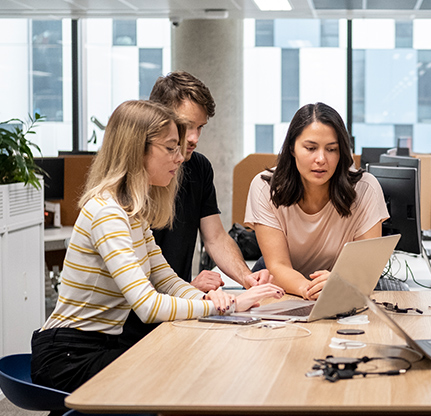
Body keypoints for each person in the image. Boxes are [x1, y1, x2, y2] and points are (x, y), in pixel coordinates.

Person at [31, 100, 284, 392]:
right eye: (170, 148)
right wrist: (222, 307)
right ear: (137, 150)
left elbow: (167, 280)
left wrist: (220, 301)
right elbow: (148, 305)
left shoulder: (133, 213)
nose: (179, 158)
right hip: (69, 354)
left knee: (193, 365)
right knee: (184, 376)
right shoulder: (107, 213)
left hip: (98, 346)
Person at [119, 71, 274, 348]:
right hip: (135, 324)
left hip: (171, 311)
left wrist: (245, 277)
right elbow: (137, 296)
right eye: (185, 126)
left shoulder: (198, 168)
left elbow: (215, 237)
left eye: (200, 128)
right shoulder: (123, 196)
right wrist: (194, 292)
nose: (193, 138)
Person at [244, 102, 389, 300]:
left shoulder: (365, 188)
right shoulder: (265, 188)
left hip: (339, 285)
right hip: (282, 284)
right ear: (292, 148)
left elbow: (367, 265)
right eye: (311, 148)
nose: (321, 159)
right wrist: (309, 288)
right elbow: (278, 266)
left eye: (331, 149)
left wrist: (340, 281)